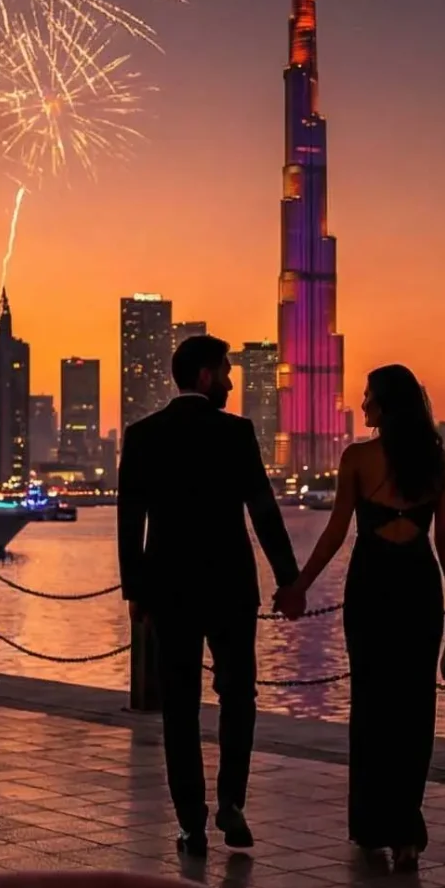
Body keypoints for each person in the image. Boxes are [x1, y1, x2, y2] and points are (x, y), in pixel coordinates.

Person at [117, 334, 301, 855]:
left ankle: (191, 823)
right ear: (203, 375)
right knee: (238, 696)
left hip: (168, 589)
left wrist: (135, 590)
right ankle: (232, 803)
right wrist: (288, 579)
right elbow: (263, 512)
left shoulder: (144, 435)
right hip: (229, 587)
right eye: (224, 370)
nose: (230, 379)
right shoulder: (236, 433)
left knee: (179, 707)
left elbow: (130, 520)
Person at [277, 365, 445, 870]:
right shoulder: (438, 460)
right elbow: (443, 536)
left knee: (373, 704)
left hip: (373, 583)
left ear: (385, 404)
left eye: (367, 398)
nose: (362, 406)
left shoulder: (358, 458)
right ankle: (406, 828)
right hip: (419, 584)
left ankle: (372, 824)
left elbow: (337, 532)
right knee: (415, 708)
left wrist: (299, 585)